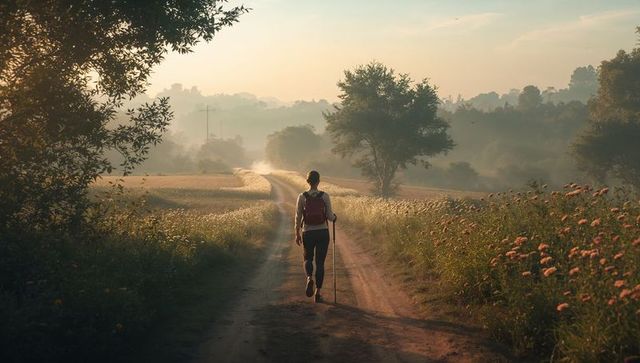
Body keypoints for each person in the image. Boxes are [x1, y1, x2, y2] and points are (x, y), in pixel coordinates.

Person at [295, 170, 337, 303]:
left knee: (308, 258)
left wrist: (297, 233)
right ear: (318, 181)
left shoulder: (302, 197)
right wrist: (335, 217)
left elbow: (298, 217)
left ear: (307, 181)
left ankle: (309, 278)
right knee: (320, 263)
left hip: (307, 232)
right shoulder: (325, 196)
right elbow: (330, 217)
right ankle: (318, 293)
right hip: (322, 232)